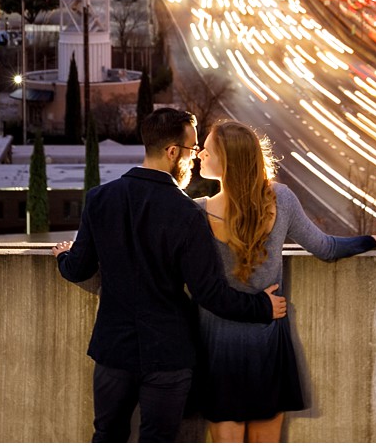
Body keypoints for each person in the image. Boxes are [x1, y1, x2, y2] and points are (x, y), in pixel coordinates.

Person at [54, 108, 287, 443]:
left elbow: (79, 268)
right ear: (173, 152)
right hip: (168, 354)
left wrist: (63, 255)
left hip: (112, 350)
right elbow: (210, 294)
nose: (195, 159)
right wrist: (262, 308)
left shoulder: (100, 198)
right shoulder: (187, 213)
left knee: (107, 434)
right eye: (193, 150)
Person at [193, 120, 376, 443]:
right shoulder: (281, 199)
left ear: (227, 162)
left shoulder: (197, 213)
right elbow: (326, 248)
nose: (199, 156)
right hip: (268, 341)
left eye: (207, 151)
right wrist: (371, 240)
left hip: (218, 346)